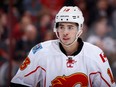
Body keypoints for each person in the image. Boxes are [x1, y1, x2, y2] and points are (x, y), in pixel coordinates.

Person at [10, 6, 116, 87]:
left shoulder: (95, 54)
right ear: (56, 29)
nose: (65, 32)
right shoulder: (40, 51)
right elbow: (19, 83)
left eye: (70, 27)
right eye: (61, 27)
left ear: (79, 29)